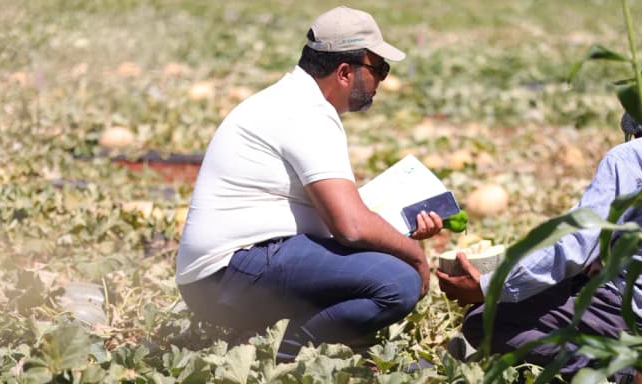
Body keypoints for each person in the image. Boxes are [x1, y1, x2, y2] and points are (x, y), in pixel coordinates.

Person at [175, 6, 444, 359]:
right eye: (379, 68)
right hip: (229, 272)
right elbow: (349, 227)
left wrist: (397, 231)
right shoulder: (306, 113)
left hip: (225, 273)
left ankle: (277, 337)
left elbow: (339, 219)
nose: (381, 80)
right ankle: (287, 351)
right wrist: (416, 257)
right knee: (398, 282)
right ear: (345, 72)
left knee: (381, 266)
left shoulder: (291, 100)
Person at [437, 85, 642, 380]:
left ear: (638, 129)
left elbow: (574, 245)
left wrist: (489, 286)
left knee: (483, 322)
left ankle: (632, 371)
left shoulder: (629, 156)